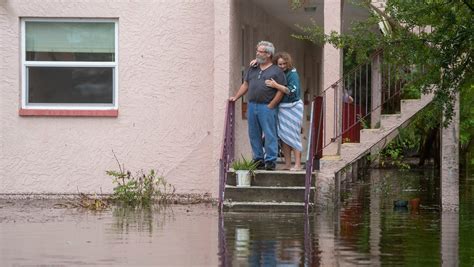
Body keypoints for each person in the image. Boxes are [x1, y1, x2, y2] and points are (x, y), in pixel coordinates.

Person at [229, 41, 287, 171]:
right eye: (257, 50)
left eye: (260, 51)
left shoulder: (276, 71)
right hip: (252, 105)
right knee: (253, 133)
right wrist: (236, 97)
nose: (257, 53)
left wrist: (272, 104)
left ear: (268, 54)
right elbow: (246, 84)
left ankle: (271, 160)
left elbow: (281, 90)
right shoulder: (253, 68)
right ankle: (258, 159)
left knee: (269, 133)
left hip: (266, 107)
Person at [264, 52, 304, 171]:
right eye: (279, 64)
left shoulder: (293, 74)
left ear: (288, 63)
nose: (282, 66)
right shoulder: (278, 73)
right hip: (282, 108)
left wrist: (276, 85)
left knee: (293, 135)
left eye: (284, 63)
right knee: (284, 136)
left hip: (293, 107)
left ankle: (297, 164)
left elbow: (291, 91)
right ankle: (287, 164)